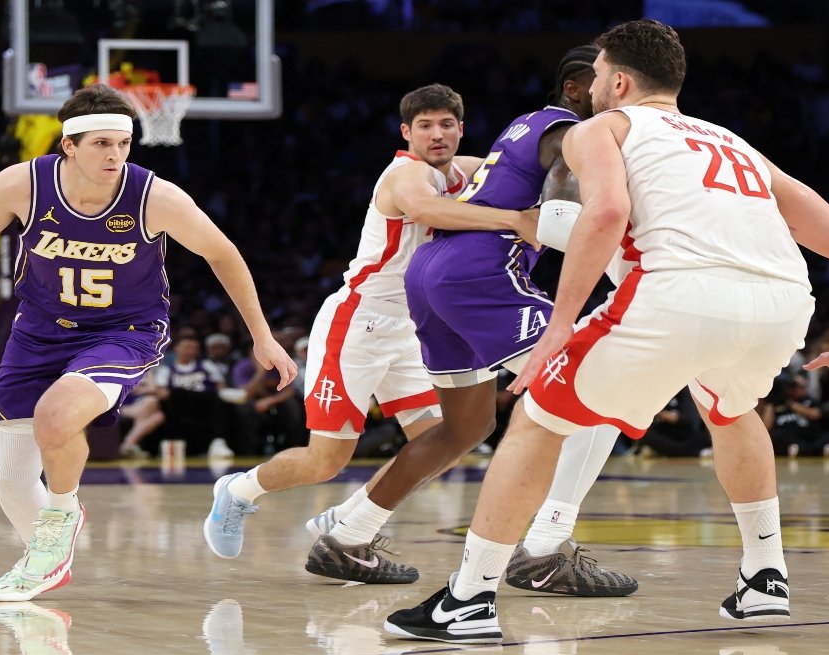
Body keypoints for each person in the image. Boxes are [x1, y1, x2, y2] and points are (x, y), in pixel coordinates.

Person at [385, 19, 829, 644]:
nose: (588, 87)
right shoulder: (736, 143)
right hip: (781, 304)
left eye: (594, 76)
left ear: (617, 80)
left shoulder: (603, 128)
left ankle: (469, 599)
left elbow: (608, 212)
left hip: (676, 293)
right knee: (730, 409)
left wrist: (559, 326)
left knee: (538, 416)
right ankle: (765, 578)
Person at [0, 84, 296, 602]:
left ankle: (60, 517)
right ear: (68, 146)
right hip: (39, 329)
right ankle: (47, 550)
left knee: (57, 415)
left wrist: (262, 335)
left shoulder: (153, 197)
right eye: (101, 143)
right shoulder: (22, 185)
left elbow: (223, 253)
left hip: (125, 332)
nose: (116, 154)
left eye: (123, 143)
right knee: (9, 478)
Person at [202, 82, 569, 585]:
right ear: (406, 132)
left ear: (460, 129)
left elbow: (528, 164)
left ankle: (349, 523)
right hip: (359, 322)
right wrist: (513, 219)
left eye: (446, 124)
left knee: (441, 441)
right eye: (425, 126)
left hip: (416, 327)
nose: (436, 134)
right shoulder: (405, 174)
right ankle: (240, 491)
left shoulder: (468, 169)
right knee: (324, 460)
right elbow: (427, 211)